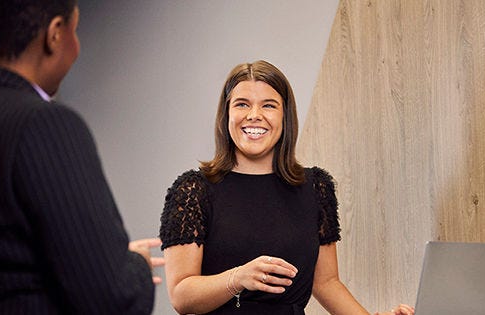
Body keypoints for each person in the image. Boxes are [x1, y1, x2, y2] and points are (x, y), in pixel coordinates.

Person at [159, 60, 414, 315]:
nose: (254, 115)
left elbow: (326, 283)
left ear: (285, 116)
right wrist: (237, 278)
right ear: (227, 114)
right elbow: (181, 295)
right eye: (242, 104)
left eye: (268, 105)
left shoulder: (316, 188)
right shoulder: (193, 190)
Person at [0, 0, 164, 313]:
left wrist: (95, 257)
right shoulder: (45, 124)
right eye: (75, 30)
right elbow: (111, 297)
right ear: (55, 34)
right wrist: (134, 266)